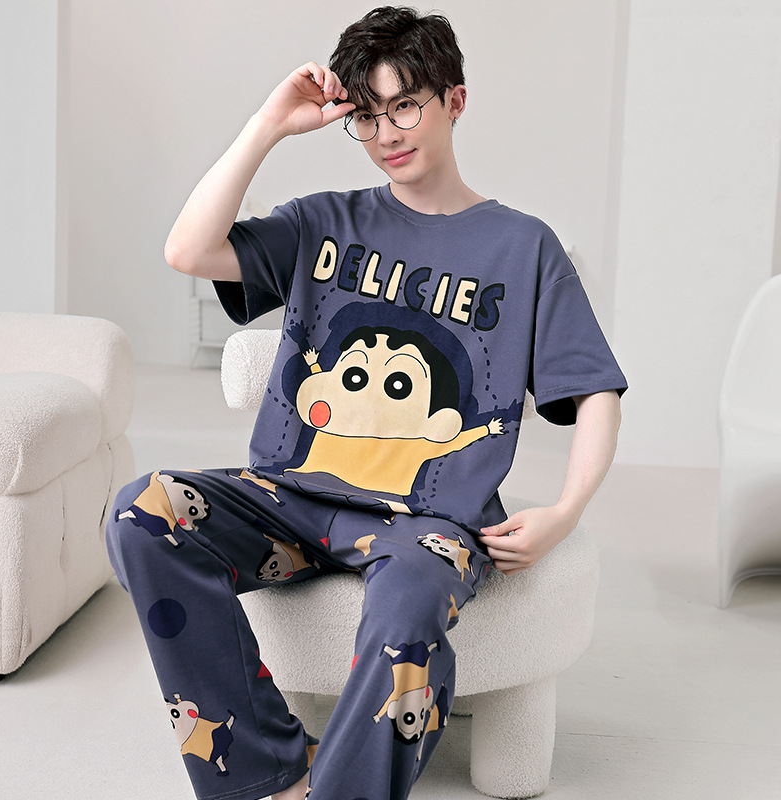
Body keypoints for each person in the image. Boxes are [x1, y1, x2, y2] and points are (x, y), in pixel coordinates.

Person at [106, 6, 627, 800]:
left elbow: (595, 391)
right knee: (140, 511)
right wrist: (268, 126)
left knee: (410, 606)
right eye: (370, 116)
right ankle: (272, 770)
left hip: (429, 521)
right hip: (286, 499)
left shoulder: (524, 247)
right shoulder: (324, 221)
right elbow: (188, 250)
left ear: (455, 100)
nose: (388, 134)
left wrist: (565, 511)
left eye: (406, 106)